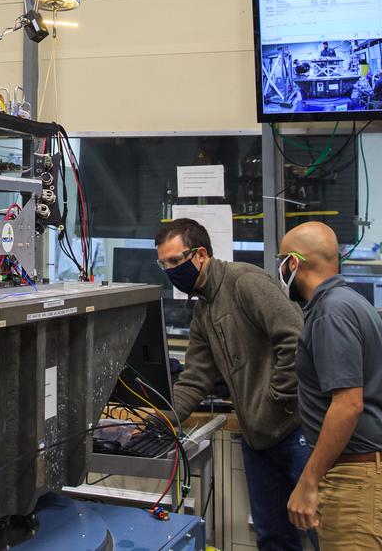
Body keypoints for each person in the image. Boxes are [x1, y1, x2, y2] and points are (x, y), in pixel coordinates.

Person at [155, 218, 313, 551]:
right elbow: (196, 378)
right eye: (163, 264)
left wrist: (276, 400)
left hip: (296, 432)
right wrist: (160, 418)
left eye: (175, 261)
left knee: (320, 534)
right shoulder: (204, 310)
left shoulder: (244, 282)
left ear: (200, 255)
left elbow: (296, 339)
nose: (170, 270)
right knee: (274, 539)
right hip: (258, 440)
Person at [280, 222, 382, 550]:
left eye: (282, 261)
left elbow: (348, 404)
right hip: (363, 470)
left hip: (359, 476)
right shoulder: (349, 302)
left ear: (293, 264)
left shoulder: (330, 313)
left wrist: (308, 481)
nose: (280, 271)